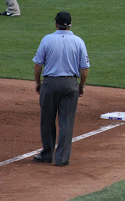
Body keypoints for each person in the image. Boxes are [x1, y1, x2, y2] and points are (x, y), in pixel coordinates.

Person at [33, 11, 90, 166]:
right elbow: (84, 68)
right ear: (70, 25)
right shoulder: (78, 41)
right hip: (70, 85)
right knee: (66, 122)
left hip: (50, 84)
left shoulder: (47, 40)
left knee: (46, 121)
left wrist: (38, 83)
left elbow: (38, 65)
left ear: (55, 24)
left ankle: (47, 154)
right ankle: (62, 159)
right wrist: (81, 86)